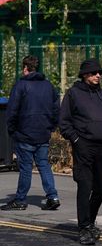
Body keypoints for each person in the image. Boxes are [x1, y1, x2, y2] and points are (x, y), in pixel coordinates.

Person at [59, 59, 102, 245]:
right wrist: (76, 140)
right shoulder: (73, 94)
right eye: (93, 73)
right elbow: (64, 123)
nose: (98, 75)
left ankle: (90, 221)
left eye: (99, 72)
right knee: (85, 186)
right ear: (84, 75)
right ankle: (84, 227)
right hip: (84, 146)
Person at [2, 55, 60, 211]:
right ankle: (52, 196)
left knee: (26, 167)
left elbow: (12, 110)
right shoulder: (48, 86)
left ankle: (21, 199)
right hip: (43, 133)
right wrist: (51, 126)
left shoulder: (20, 85)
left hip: (24, 133)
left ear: (25, 68)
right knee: (43, 165)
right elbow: (56, 109)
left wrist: (12, 129)